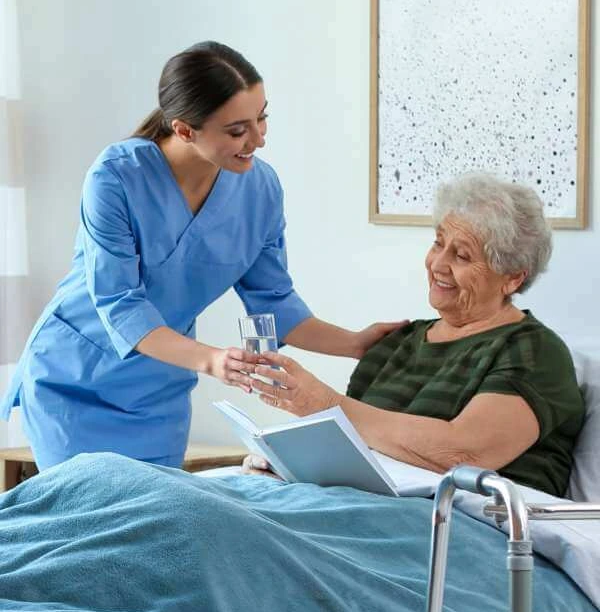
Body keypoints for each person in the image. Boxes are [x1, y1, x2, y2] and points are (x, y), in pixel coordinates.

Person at [0, 42, 401, 470]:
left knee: (156, 527)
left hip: (158, 392)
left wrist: (355, 344)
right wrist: (212, 360)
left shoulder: (260, 190)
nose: (259, 139)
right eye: (238, 130)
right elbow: (121, 305)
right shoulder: (116, 177)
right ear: (185, 129)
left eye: (262, 118)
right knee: (87, 521)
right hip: (74, 382)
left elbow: (276, 303)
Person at [245, 173, 585, 499]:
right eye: (438, 243)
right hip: (366, 511)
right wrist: (288, 466)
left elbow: (462, 452)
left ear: (512, 278)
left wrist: (323, 403)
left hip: (464, 527)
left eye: (462, 255)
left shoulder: (533, 351)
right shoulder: (397, 343)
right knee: (207, 501)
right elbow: (354, 455)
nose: (438, 264)